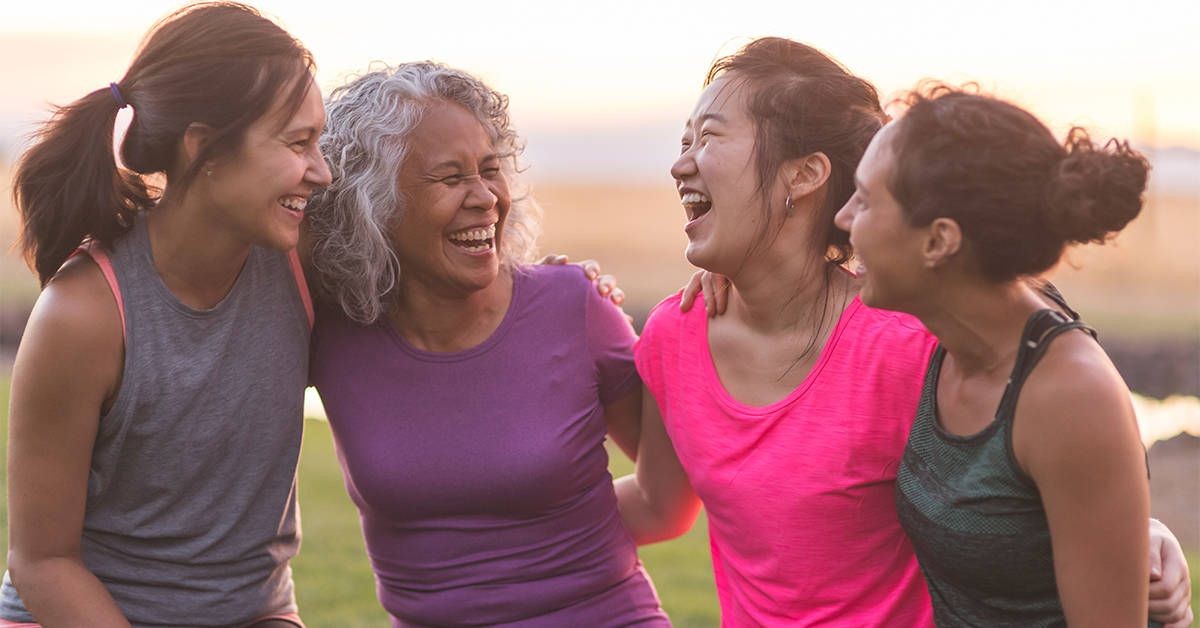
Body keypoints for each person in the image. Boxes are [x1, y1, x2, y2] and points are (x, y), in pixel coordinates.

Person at [617, 37, 1193, 627]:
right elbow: (660, 501)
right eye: (684, 140)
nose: (680, 161)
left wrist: (1138, 533)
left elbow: (1053, 426)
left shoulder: (923, 341)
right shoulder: (679, 332)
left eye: (709, 137)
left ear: (806, 174)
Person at [305, 61, 669, 626]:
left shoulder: (575, 304)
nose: (486, 198)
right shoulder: (331, 330)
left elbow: (672, 499)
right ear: (373, 206)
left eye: (491, 169)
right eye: (450, 178)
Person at [3, 3, 328, 626]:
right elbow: (42, 563)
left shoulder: (305, 261)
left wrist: (563, 283)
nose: (322, 170)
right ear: (204, 148)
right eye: (298, 143)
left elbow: (436, 304)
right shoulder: (83, 315)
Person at [834, 86, 1155, 625]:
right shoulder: (946, 340)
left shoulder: (1069, 396)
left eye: (865, 200)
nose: (843, 217)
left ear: (939, 242)